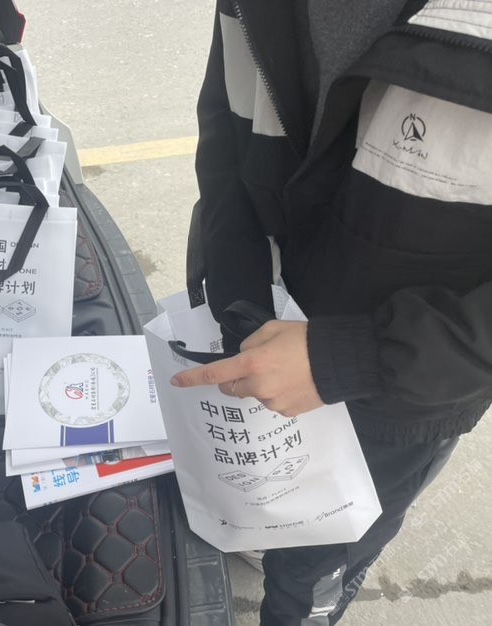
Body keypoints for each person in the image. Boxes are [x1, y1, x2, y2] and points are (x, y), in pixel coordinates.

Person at [169, 2, 492, 624]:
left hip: (399, 391)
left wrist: (353, 358)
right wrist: (234, 283)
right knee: (265, 500)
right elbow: (226, 120)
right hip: (260, 320)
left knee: (312, 572)